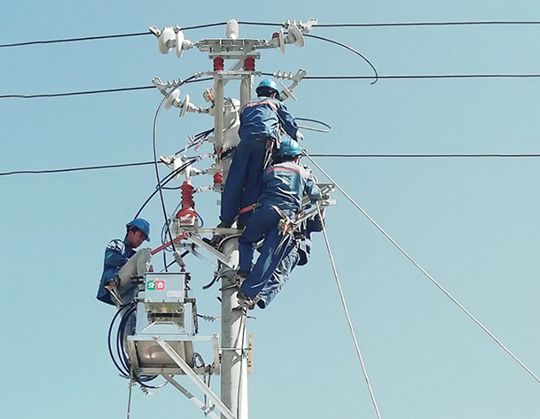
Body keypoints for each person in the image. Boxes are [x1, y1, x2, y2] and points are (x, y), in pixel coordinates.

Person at [235, 139, 321, 308]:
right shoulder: (303, 173)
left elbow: (259, 191)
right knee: (270, 255)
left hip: (266, 211)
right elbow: (315, 195)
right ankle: (248, 292)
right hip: (286, 218)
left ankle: (244, 269)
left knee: (246, 240)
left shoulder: (270, 170)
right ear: (296, 157)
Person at [217, 79, 301, 231]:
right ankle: (244, 220)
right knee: (254, 182)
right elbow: (288, 121)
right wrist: (295, 133)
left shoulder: (246, 107)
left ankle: (226, 219)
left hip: (245, 143)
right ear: (274, 93)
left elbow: (242, 129)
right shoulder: (275, 103)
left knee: (235, 180)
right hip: (263, 142)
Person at [257, 210, 324, 309]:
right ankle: (256, 290)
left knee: (276, 271)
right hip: (280, 243)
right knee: (271, 270)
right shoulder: (285, 209)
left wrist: (322, 206)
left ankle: (260, 294)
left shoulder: (303, 217)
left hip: (290, 244)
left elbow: (318, 224)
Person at [97, 218, 152, 307]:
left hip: (126, 290)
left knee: (131, 318)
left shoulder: (134, 255)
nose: (141, 241)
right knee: (145, 252)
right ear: (131, 232)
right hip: (115, 281)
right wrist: (129, 261)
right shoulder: (118, 244)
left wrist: (149, 270)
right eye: (140, 236)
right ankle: (144, 288)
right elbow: (111, 259)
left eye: (143, 239)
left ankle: (143, 289)